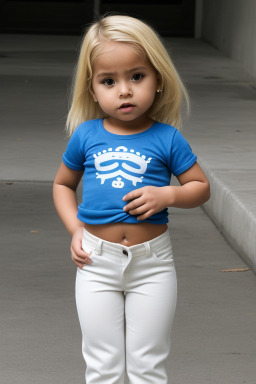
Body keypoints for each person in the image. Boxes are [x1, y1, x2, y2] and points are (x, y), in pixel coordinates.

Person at [53, 14, 210, 384]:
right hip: (95, 262)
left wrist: (169, 193)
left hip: (153, 264)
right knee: (102, 365)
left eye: (136, 76)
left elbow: (200, 187)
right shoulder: (86, 135)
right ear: (92, 89)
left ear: (157, 80)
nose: (124, 90)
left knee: (147, 365)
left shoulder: (168, 138)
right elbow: (62, 185)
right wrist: (75, 228)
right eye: (109, 81)